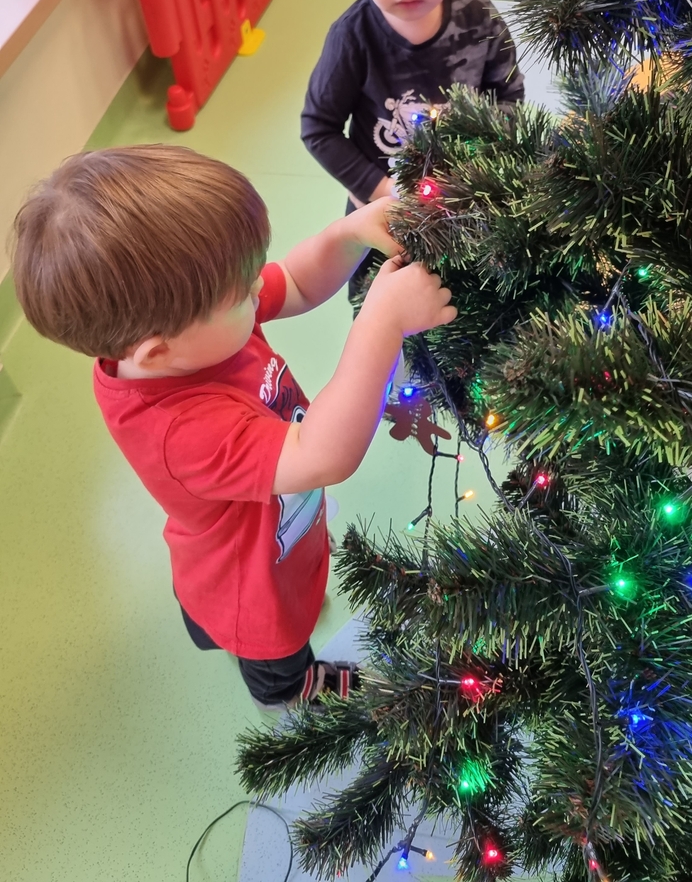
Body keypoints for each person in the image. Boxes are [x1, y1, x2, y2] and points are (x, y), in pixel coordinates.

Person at [11, 144, 455, 710]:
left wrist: (350, 233)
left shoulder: (189, 327)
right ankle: (290, 687)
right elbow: (322, 454)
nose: (257, 290)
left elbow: (293, 280)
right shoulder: (179, 427)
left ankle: (227, 629)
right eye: (243, 293)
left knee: (250, 596)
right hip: (251, 583)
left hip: (258, 524)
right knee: (274, 649)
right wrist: (383, 323)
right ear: (156, 351)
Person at [301, 0, 524, 295]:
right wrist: (383, 191)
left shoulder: (480, 19)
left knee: (468, 302)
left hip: (467, 199)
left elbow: (508, 96)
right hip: (381, 211)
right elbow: (319, 128)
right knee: (376, 302)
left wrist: (481, 170)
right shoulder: (353, 37)